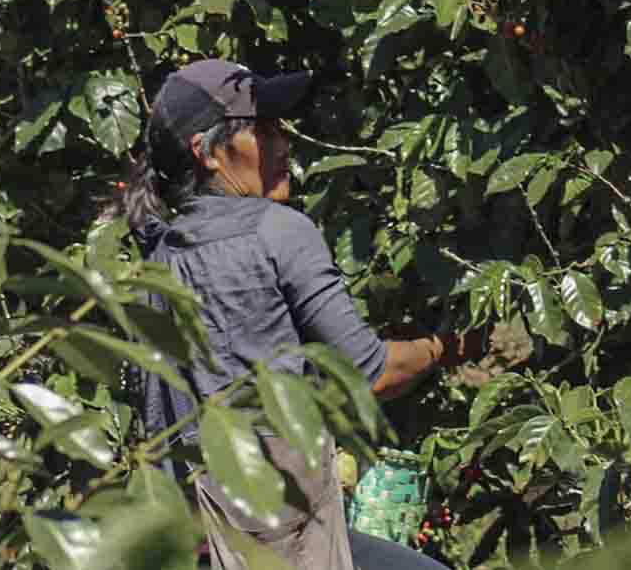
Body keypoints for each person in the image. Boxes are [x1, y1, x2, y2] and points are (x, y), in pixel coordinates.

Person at [122, 59, 483, 570]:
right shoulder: (277, 231)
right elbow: (373, 373)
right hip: (275, 538)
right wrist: (447, 349)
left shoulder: (155, 262)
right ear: (207, 153)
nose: (283, 142)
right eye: (263, 130)